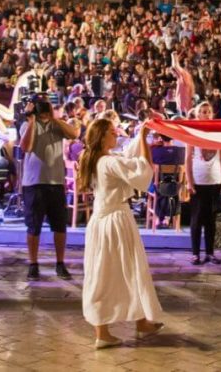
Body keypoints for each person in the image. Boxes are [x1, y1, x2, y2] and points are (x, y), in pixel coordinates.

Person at [78, 116, 165, 348]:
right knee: (127, 270)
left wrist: (140, 135)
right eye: (112, 132)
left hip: (100, 221)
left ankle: (134, 322)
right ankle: (106, 331)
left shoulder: (97, 159)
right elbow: (142, 173)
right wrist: (145, 141)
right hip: (115, 221)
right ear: (102, 136)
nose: (116, 134)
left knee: (105, 273)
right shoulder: (107, 162)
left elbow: (126, 158)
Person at [19, 98, 80, 281]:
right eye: (42, 112)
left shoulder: (56, 126)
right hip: (34, 183)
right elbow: (26, 146)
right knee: (33, 226)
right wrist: (31, 121)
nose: (44, 115)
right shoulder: (27, 125)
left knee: (60, 225)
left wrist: (55, 119)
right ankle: (33, 263)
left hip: (55, 182)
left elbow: (73, 134)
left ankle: (60, 263)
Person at [181, 101, 221, 264]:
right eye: (202, 111)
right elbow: (187, 158)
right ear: (197, 114)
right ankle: (195, 253)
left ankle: (210, 252)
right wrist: (189, 181)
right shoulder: (193, 133)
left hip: (214, 180)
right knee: (196, 219)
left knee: (211, 219)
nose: (206, 114)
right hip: (198, 180)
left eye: (208, 111)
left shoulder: (218, 133)